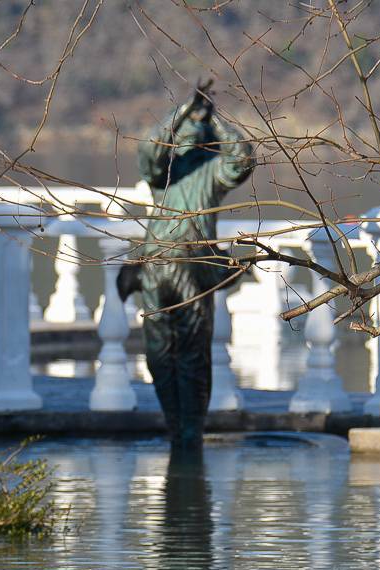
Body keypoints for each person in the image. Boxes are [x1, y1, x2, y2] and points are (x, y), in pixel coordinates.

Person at [127, 79, 255, 448]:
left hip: (194, 265)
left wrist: (214, 121)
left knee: (193, 352)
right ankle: (174, 424)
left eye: (197, 127)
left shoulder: (212, 170)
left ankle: (191, 430)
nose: (191, 129)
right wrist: (183, 109)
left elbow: (243, 157)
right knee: (158, 352)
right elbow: (148, 151)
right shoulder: (163, 172)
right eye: (187, 126)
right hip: (156, 264)